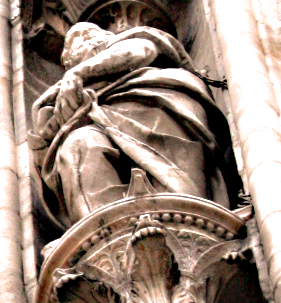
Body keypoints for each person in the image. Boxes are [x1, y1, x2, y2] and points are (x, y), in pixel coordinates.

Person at [30, 20, 229, 225]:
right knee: (79, 145)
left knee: (184, 199)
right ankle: (111, 237)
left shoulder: (129, 42)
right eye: (71, 49)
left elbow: (141, 51)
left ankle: (190, 223)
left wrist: (79, 74)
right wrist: (56, 121)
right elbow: (45, 142)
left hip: (154, 104)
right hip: (102, 124)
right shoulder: (63, 92)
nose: (72, 51)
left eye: (82, 36)